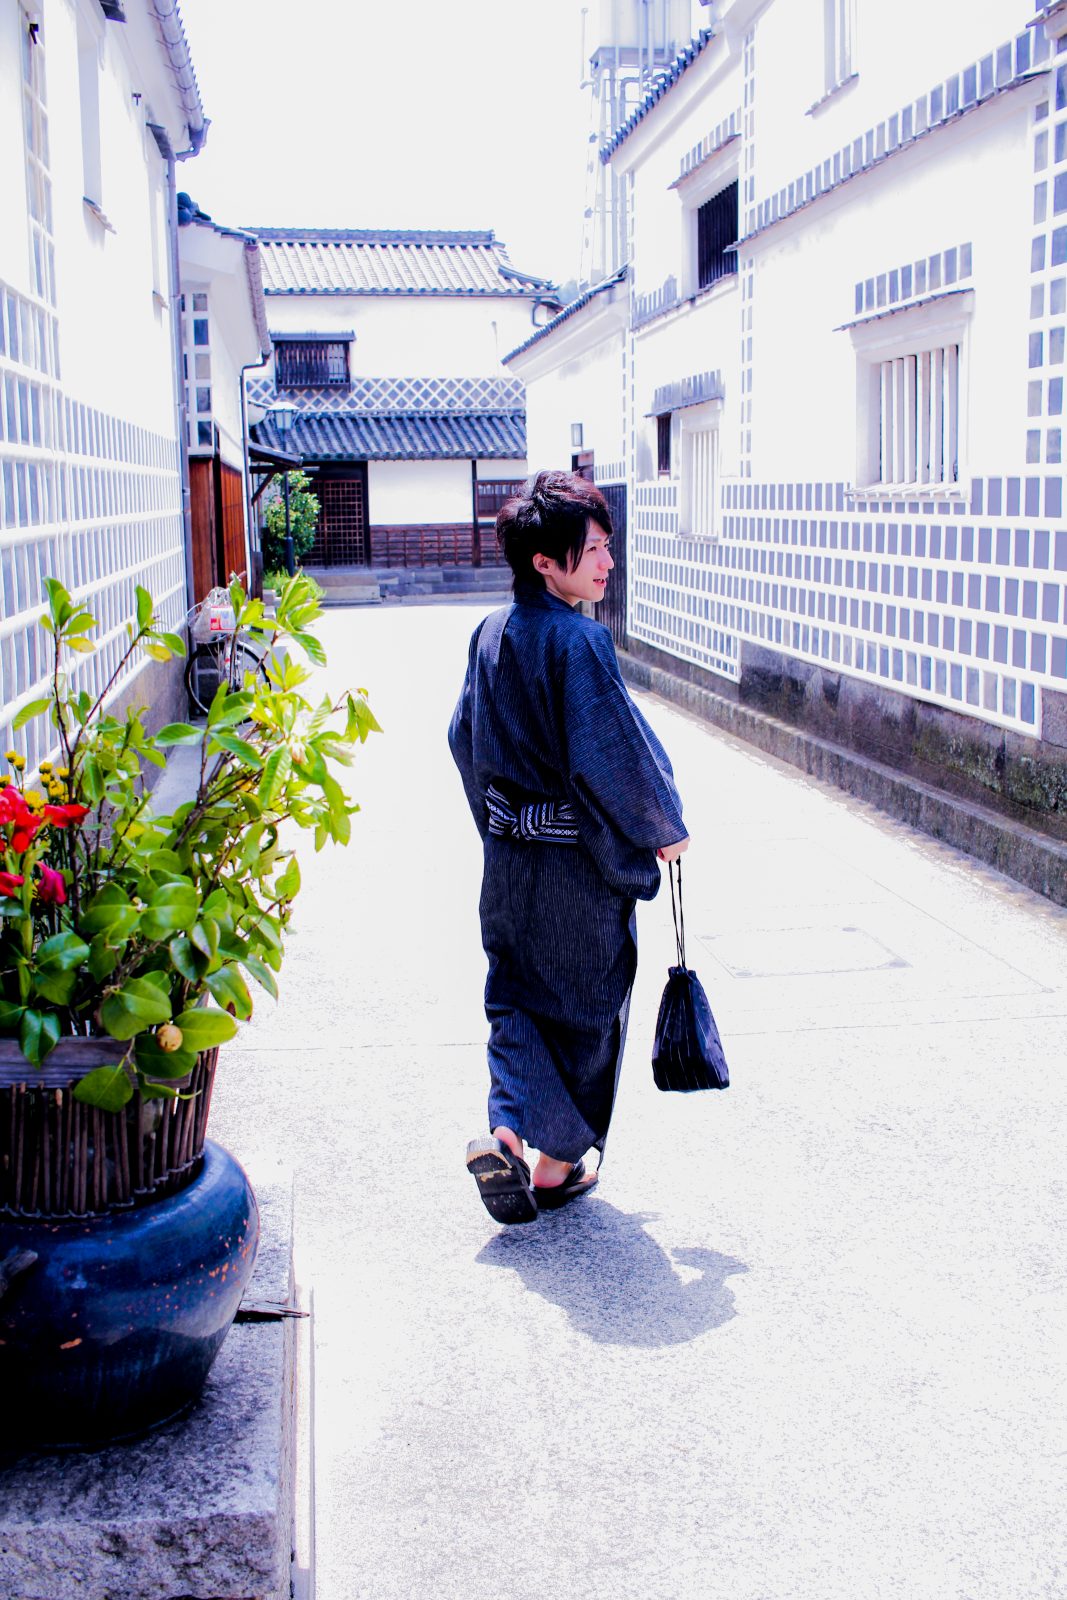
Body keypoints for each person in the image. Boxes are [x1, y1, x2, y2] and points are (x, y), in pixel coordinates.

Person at [448, 470, 689, 1225]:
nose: (608, 562)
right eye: (593, 550)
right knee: (587, 1009)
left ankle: (506, 1133)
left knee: (515, 999)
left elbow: (461, 738)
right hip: (575, 875)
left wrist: (504, 824)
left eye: (608, 546)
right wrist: (662, 827)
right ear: (545, 563)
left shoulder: (489, 633)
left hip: (509, 867)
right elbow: (611, 752)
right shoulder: (579, 641)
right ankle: (554, 1166)